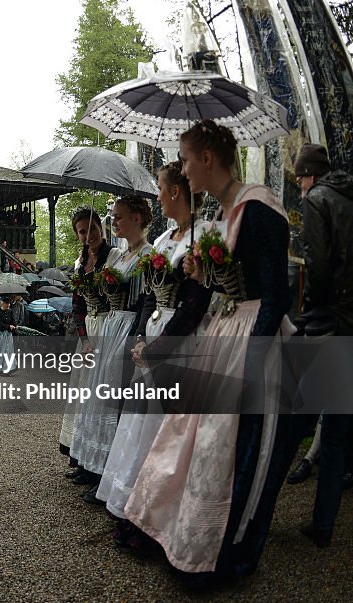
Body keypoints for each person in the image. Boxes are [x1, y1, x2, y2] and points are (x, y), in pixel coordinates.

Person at [124, 119, 294, 584]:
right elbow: (214, 291)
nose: (182, 169)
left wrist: (254, 362)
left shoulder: (258, 208)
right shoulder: (219, 215)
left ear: (206, 158)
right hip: (223, 331)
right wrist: (205, 278)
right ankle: (186, 537)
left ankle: (228, 552)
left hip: (253, 336)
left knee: (237, 450)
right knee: (195, 441)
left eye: (185, 158)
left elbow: (277, 294)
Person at [99, 161, 212, 548]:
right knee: (139, 428)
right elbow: (150, 294)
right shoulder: (164, 240)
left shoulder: (203, 237)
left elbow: (196, 302)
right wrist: (138, 338)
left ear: (176, 192)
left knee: (165, 437)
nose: (159, 196)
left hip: (179, 348)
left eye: (161, 188)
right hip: (151, 339)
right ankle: (134, 507)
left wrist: (160, 347)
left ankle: (156, 519)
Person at [71, 195, 154, 504]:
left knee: (114, 404)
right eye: (113, 217)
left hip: (127, 327)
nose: (113, 222)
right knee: (98, 400)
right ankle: (93, 467)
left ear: (136, 218)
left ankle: (109, 473)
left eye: (118, 217)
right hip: (109, 327)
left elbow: (148, 299)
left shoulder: (147, 254)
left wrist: (137, 335)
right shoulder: (119, 258)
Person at [289, 143, 353, 547]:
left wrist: (310, 313)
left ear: (310, 174)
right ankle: (323, 522)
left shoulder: (318, 199)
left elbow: (318, 264)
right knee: (339, 423)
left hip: (331, 322)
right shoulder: (348, 195)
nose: (298, 185)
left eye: (298, 178)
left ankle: (257, 507)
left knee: (301, 416)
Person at [60, 207, 113, 483]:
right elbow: (77, 305)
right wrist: (84, 338)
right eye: (83, 231)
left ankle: (98, 461)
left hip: (107, 326)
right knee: (82, 397)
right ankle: (81, 458)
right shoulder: (80, 263)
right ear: (77, 234)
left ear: (100, 229)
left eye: (93, 228)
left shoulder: (112, 258)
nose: (89, 235)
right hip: (88, 333)